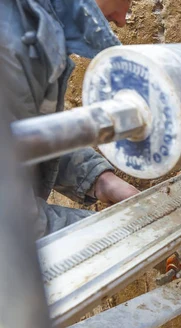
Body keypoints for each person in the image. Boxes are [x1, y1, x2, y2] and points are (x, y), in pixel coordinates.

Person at [0, 0, 139, 238]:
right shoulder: (10, 52)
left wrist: (98, 179)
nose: (122, 19)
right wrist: (117, 231)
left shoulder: (33, 35)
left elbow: (26, 135)